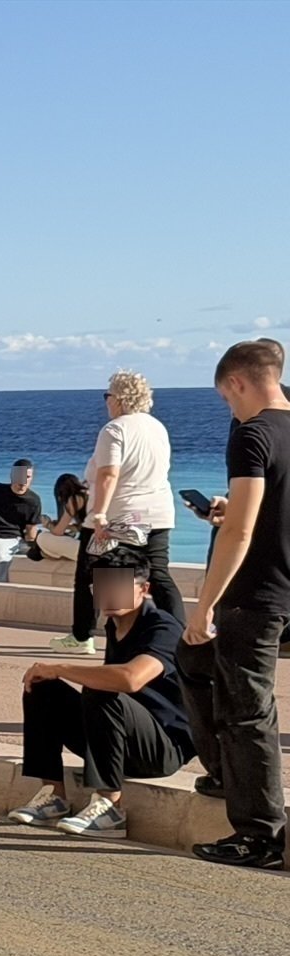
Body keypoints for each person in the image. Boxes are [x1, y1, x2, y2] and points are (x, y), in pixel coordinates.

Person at [180, 339, 290, 868]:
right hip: (283, 587)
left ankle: (260, 835)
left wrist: (204, 606)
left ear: (238, 383)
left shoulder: (251, 435)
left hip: (253, 594)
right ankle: (228, 774)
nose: (231, 409)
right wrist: (230, 509)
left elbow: (241, 531)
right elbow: (256, 509)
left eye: (227, 398)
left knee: (249, 712)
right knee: (195, 664)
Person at [8, 547, 193, 838]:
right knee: (41, 685)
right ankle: (52, 796)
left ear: (144, 589)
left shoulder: (163, 628)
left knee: (101, 689)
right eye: (101, 586)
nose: (108, 594)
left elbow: (132, 679)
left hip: (161, 748)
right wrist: (53, 673)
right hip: (114, 739)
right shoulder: (114, 625)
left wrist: (62, 667)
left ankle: (109, 807)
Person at [81, 371, 184, 620]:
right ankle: (179, 635)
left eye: (107, 395)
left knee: (113, 572)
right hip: (158, 513)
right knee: (159, 574)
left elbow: (108, 474)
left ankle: (119, 640)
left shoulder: (114, 429)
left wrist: (99, 515)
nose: (106, 401)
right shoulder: (157, 427)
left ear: (118, 398)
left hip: (121, 514)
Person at [0, 460, 42, 582]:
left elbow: (31, 532)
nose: (22, 481)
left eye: (27, 477)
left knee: (40, 557)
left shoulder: (33, 500)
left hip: (19, 540)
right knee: (1, 556)